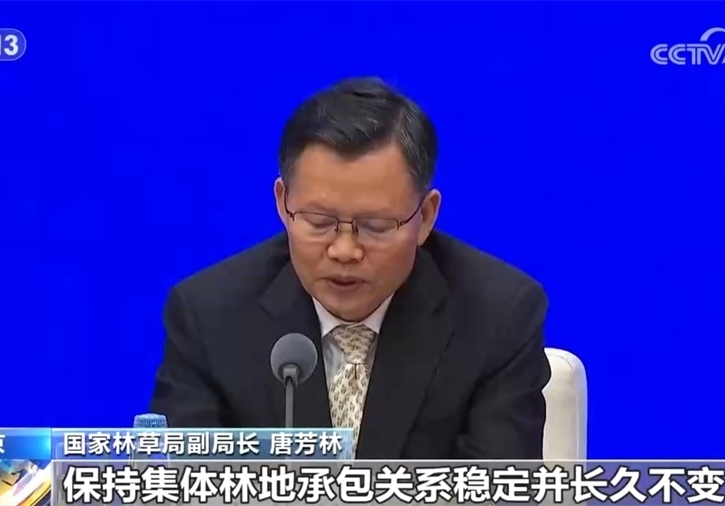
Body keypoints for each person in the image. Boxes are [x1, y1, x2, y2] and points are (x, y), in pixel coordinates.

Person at [150, 77, 551, 459]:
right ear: (283, 203)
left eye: (375, 226)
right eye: (319, 221)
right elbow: (181, 484)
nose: (344, 250)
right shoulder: (209, 316)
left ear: (426, 216)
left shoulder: (497, 317)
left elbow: (496, 487)